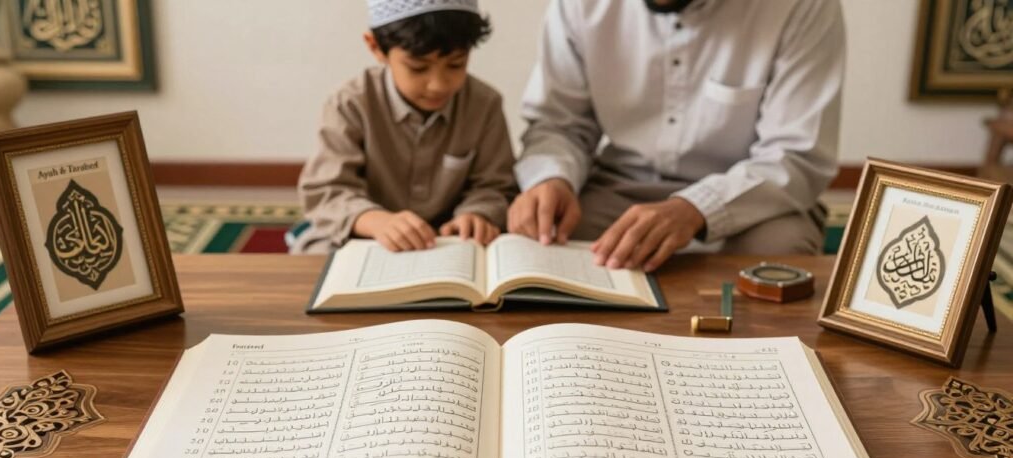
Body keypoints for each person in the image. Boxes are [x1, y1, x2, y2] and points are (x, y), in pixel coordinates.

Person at [508, 0, 846, 271]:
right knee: (540, 241)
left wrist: (696, 208)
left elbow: (795, 155)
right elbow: (560, 123)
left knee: (778, 253)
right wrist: (552, 178)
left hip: (750, 200)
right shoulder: (577, 6)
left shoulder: (803, 6)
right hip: (618, 188)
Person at [291, 0, 516, 254]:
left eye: (456, 64)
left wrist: (476, 214)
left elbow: (495, 185)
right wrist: (376, 221)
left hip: (448, 241)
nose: (438, 84)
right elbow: (327, 190)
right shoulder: (350, 103)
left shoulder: (485, 104)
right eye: (418, 68)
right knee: (316, 255)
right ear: (375, 47)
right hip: (369, 235)